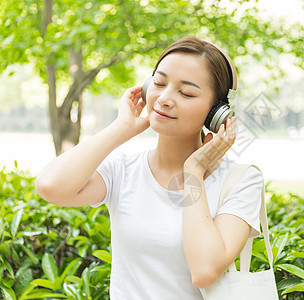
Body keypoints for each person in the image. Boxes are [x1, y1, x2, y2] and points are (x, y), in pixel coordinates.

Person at [35, 35, 264, 299]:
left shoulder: (241, 180)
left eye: (186, 92)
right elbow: (50, 186)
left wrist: (194, 173)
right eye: (159, 83)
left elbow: (204, 270)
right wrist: (122, 128)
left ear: (216, 113)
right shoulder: (124, 170)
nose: (164, 98)